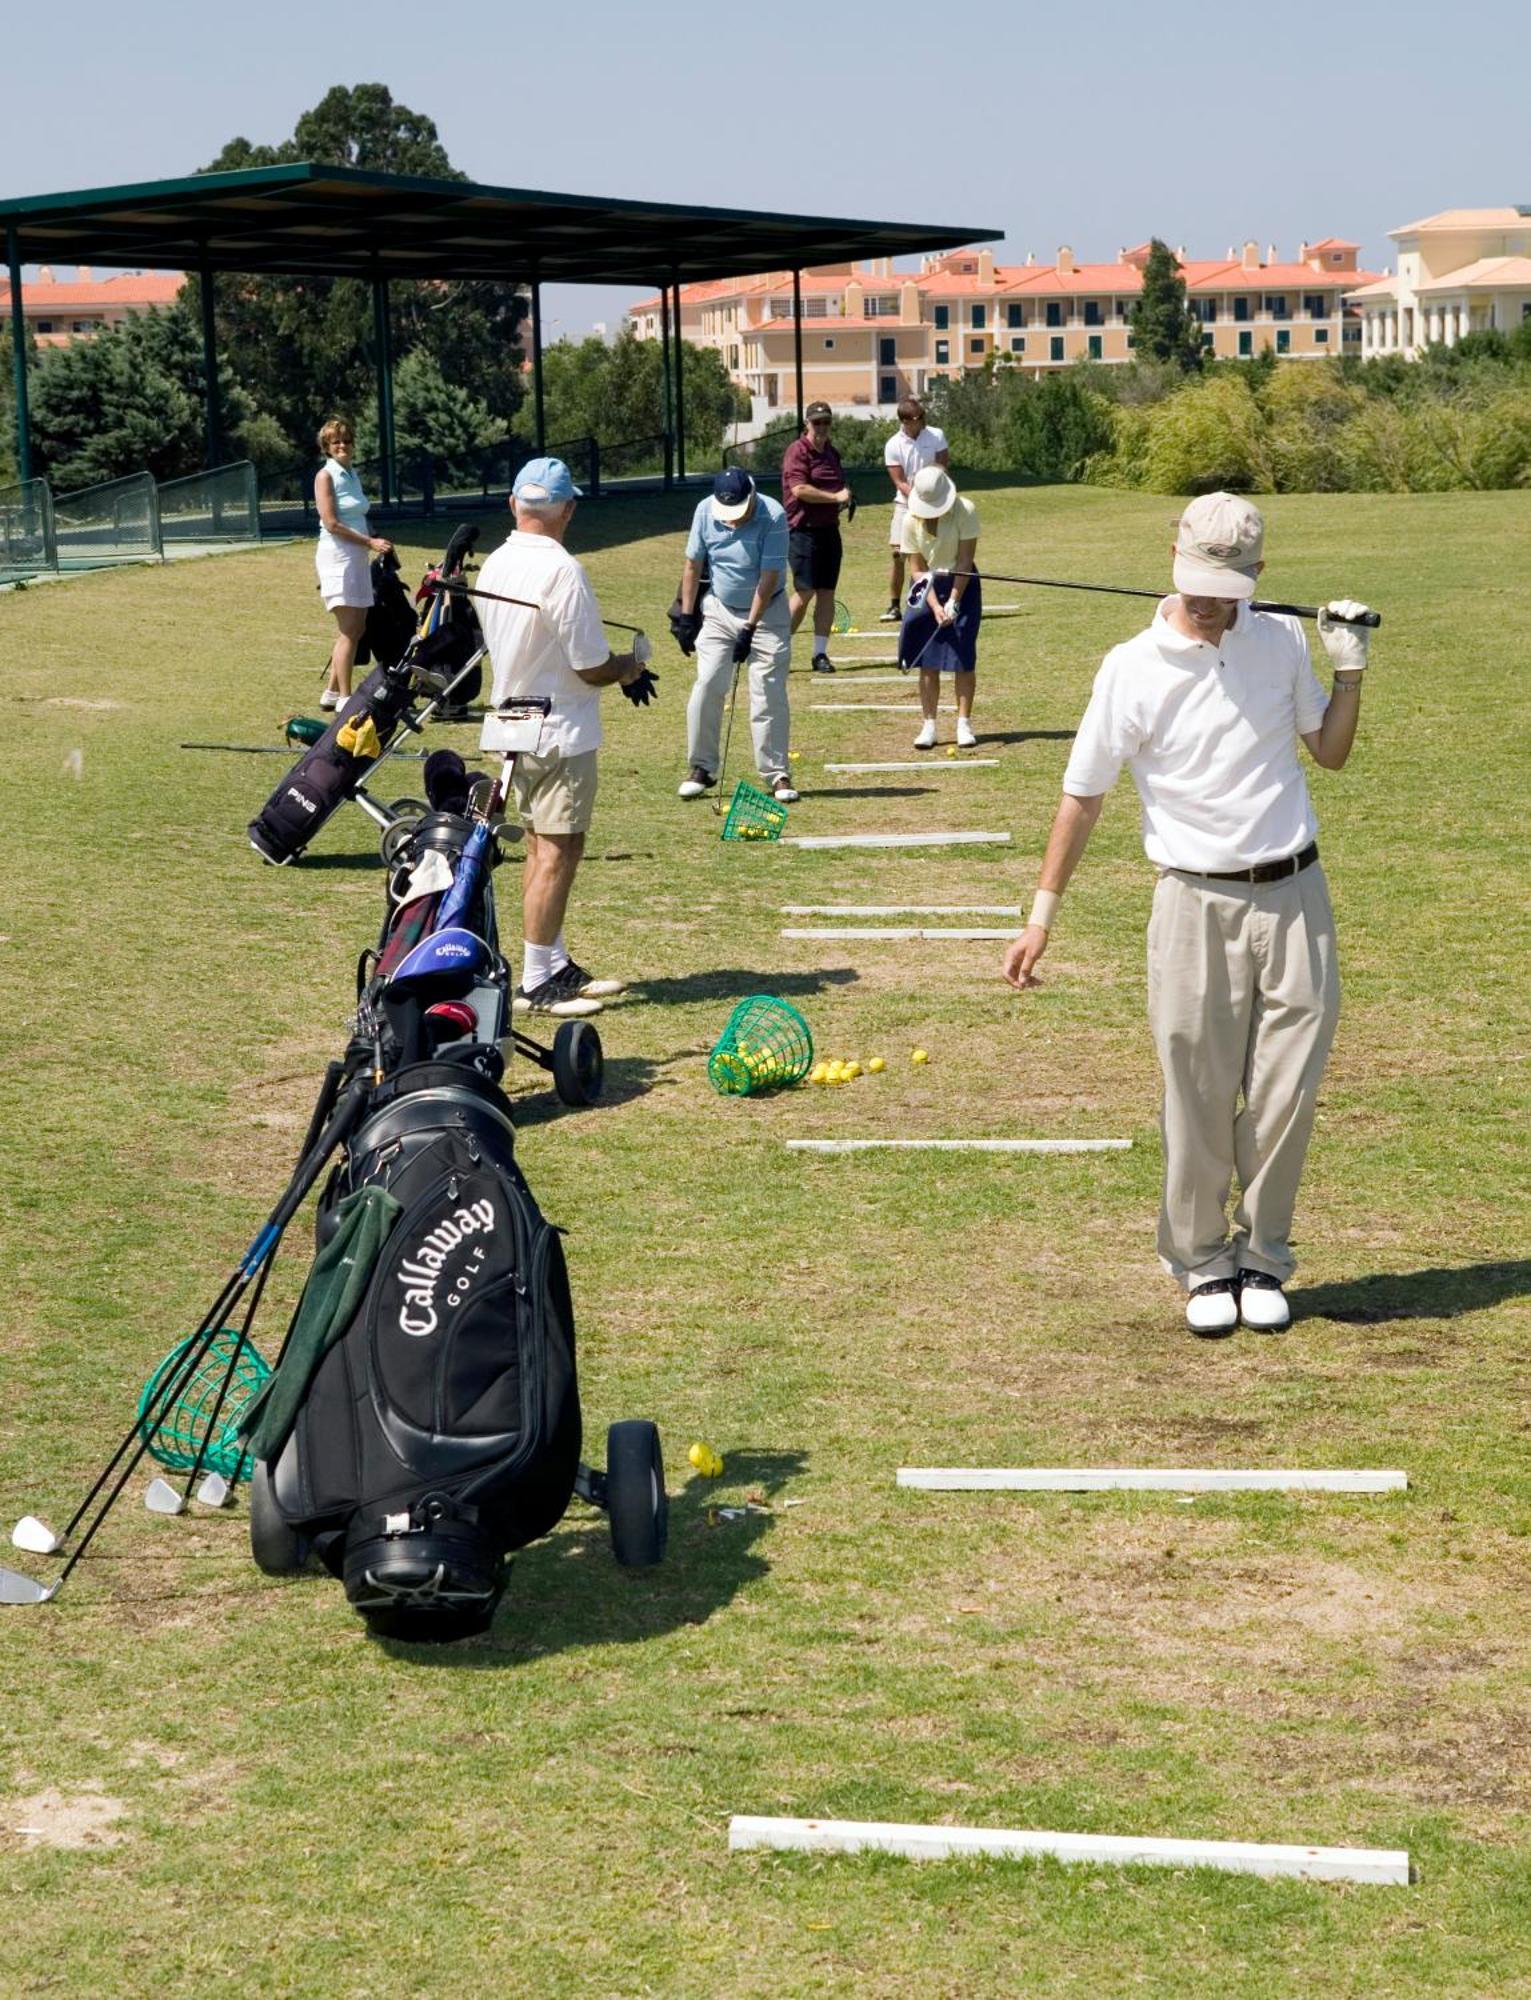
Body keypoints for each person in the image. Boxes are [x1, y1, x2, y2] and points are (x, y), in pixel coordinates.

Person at [1002, 492, 1373, 1337]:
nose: (1207, 604)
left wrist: (1348, 668)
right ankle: (1203, 1262)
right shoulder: (1129, 665)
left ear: (1258, 577)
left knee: (1287, 1093)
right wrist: (1040, 917)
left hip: (1294, 894)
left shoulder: (1278, 639)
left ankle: (1263, 1255)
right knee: (1197, 1094)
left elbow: (1332, 753)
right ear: (1170, 556)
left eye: (1226, 589)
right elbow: (1082, 797)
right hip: (1190, 899)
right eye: (1195, 584)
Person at [473, 457, 656, 1019]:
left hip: (510, 726)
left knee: (539, 845)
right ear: (568, 509)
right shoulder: (562, 569)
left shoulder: (494, 564)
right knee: (557, 850)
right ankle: (535, 981)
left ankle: (551, 961)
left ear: (513, 506)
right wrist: (629, 667)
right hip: (557, 730)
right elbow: (588, 664)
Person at [673, 468, 797, 804]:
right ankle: (701, 767)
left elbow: (769, 577)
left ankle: (777, 774)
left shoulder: (773, 515)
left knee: (766, 691)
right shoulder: (705, 511)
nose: (734, 520)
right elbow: (692, 565)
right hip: (719, 610)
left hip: (766, 612)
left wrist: (750, 628)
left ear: (751, 495)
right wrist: (687, 616)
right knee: (707, 683)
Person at [897, 464, 981, 750]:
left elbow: (965, 561)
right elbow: (917, 570)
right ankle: (929, 725)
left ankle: (963, 724)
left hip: (962, 583)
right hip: (927, 587)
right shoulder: (910, 520)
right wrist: (935, 606)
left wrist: (954, 600)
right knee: (927, 660)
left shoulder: (965, 509)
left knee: (963, 657)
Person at [312, 418, 392, 710]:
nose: (342, 446)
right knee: (349, 628)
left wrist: (373, 540)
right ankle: (346, 699)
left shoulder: (351, 474)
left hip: (357, 556)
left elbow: (358, 514)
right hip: (337, 557)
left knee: (357, 628)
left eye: (346, 441)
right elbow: (332, 523)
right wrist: (370, 542)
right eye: (336, 442)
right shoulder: (325, 476)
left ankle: (331, 693)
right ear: (327, 447)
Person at [781, 402, 852, 674]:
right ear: (806, 424)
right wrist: (835, 497)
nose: (822, 427)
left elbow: (839, 484)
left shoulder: (831, 453)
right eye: (817, 422)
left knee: (826, 594)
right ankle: (779, 648)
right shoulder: (797, 452)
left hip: (828, 530)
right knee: (804, 592)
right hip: (803, 530)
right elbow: (799, 489)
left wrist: (845, 495)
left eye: (826, 422)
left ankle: (819, 654)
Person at [882, 398, 949, 621]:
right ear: (904, 421)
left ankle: (936, 601)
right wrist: (917, 497)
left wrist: (930, 494)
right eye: (915, 419)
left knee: (934, 552)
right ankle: (894, 605)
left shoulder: (936, 435)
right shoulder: (893, 444)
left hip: (936, 501)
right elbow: (899, 481)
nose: (921, 422)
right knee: (898, 554)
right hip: (905, 502)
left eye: (922, 417)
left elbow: (942, 466)